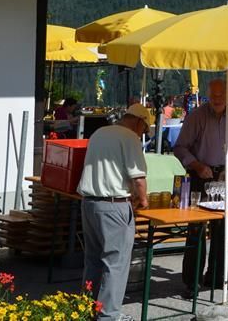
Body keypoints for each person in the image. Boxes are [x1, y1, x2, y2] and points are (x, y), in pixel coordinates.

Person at [173, 79, 228, 293]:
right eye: (214, 95)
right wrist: (197, 165)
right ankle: (192, 281)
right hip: (201, 174)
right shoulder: (197, 116)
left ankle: (216, 277)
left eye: (221, 95)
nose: (217, 99)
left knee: (223, 228)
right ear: (208, 96)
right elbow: (180, 148)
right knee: (197, 228)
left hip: (226, 174)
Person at [77, 104, 151, 321]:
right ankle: (108, 315)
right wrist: (143, 200)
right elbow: (138, 178)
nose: (143, 132)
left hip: (89, 203)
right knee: (115, 264)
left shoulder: (99, 133)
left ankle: (86, 309)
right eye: (145, 128)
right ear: (139, 121)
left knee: (93, 260)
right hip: (113, 205)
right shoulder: (130, 138)